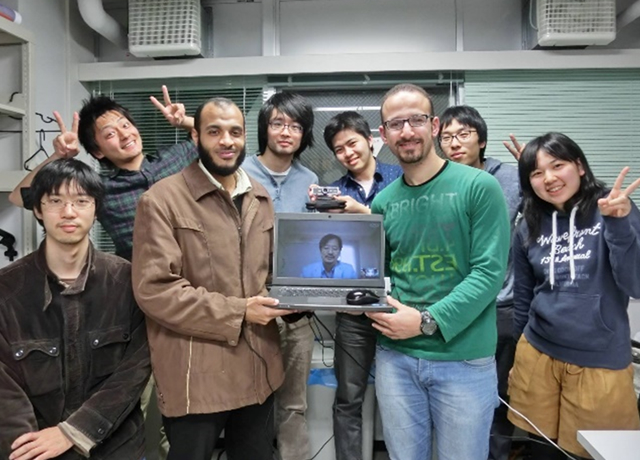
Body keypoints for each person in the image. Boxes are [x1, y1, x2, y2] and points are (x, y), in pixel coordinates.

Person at [8, 87, 197, 459]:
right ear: (97, 151)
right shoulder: (99, 191)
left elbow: (209, 137)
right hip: (141, 304)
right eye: (110, 134)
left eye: (125, 125)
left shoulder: (176, 163)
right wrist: (58, 157)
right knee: (141, 407)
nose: (124, 134)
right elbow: (22, 197)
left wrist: (185, 120)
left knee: (189, 414)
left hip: (192, 298)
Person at [131, 97, 295, 460]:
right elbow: (155, 290)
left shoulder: (259, 195)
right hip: (196, 376)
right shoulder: (162, 200)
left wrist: (297, 300)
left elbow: (267, 274)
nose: (226, 141)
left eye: (235, 132)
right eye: (214, 131)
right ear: (196, 136)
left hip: (259, 369)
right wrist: (241, 311)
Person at [366, 83, 510, 460]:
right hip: (395, 359)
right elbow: (381, 275)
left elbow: (488, 273)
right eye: (396, 124)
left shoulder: (479, 187)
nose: (407, 131)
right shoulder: (383, 201)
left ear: (433, 125)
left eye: (416, 119)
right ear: (383, 135)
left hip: (463, 359)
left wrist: (426, 321)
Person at [0, 159, 150, 460]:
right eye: (55, 201)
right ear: (39, 210)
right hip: (35, 447)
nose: (68, 212)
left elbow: (134, 372)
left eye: (81, 201)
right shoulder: (8, 290)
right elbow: (5, 389)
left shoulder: (128, 282)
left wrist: (74, 431)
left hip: (115, 445)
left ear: (96, 209)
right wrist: (26, 449)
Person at [508, 132, 640, 460]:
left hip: (600, 362)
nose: (549, 178)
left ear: (579, 166)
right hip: (537, 354)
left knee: (594, 453)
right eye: (537, 173)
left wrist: (619, 225)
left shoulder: (611, 208)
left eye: (558, 165)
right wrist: (516, 357)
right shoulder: (529, 224)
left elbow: (635, 285)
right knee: (541, 450)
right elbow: (523, 297)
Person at [439, 105, 521, 460]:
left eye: (463, 134)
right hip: (454, 307)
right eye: (446, 137)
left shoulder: (512, 178)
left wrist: (537, 167)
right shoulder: (441, 182)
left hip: (502, 304)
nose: (454, 143)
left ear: (481, 139)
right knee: (460, 401)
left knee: (498, 399)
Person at [321, 110, 402, 460]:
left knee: (401, 399)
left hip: (401, 304)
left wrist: (362, 212)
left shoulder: (403, 178)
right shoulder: (335, 190)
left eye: (352, 143)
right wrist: (320, 212)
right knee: (349, 397)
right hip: (352, 307)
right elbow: (325, 242)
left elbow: (410, 232)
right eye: (339, 149)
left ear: (370, 139)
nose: (347, 153)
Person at [242, 92, 318, 460]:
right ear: (264, 128)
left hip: (297, 310)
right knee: (249, 404)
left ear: (304, 134)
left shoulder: (310, 179)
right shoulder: (239, 171)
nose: (286, 132)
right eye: (277, 123)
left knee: (293, 403)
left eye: (295, 125)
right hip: (250, 308)